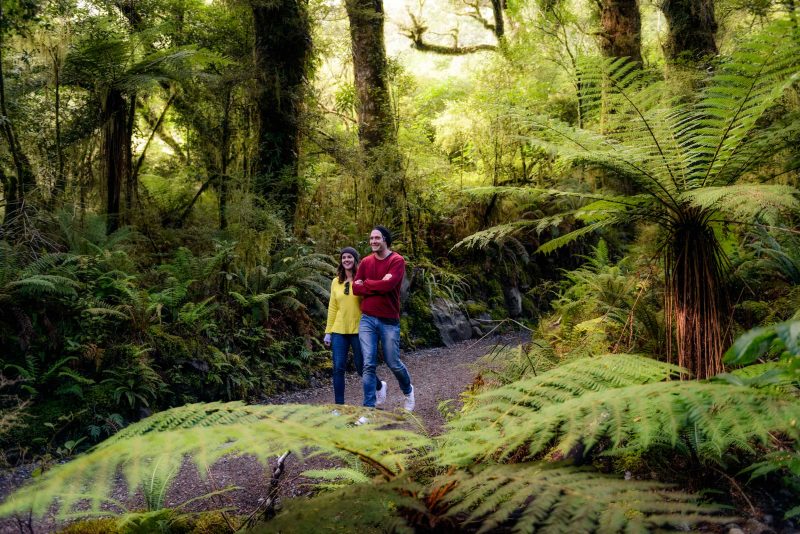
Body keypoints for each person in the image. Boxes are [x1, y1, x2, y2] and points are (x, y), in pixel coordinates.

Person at [353, 226, 415, 411]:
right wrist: (378, 284)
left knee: (393, 363)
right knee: (368, 363)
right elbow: (356, 288)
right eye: (371, 238)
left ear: (385, 239)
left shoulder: (397, 260)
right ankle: (369, 409)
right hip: (368, 319)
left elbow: (389, 286)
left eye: (377, 238)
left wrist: (368, 283)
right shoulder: (365, 262)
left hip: (389, 320)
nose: (373, 241)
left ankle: (408, 391)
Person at [324, 247, 386, 406]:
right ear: (341, 260)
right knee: (338, 368)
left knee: (361, 367)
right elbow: (332, 307)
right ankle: (339, 406)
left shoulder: (362, 280)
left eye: (349, 257)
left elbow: (372, 302)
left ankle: (380, 386)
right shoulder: (335, 281)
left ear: (355, 260)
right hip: (339, 330)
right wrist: (328, 332)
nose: (346, 260)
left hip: (360, 330)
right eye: (344, 257)